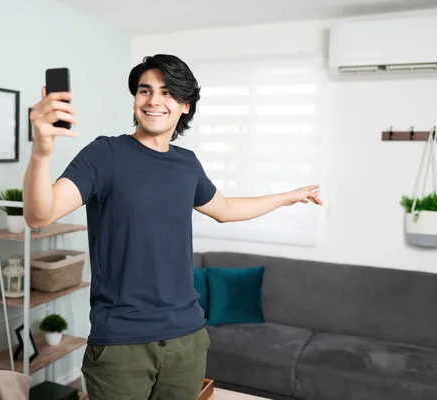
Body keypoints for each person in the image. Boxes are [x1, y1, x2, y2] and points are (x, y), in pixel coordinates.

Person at [23, 54, 323, 400]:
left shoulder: (187, 164)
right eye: (144, 91)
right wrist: (41, 152)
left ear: (186, 106)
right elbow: (39, 215)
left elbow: (225, 210)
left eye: (167, 93)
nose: (153, 101)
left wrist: (288, 196)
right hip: (122, 344)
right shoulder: (105, 155)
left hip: (187, 339)